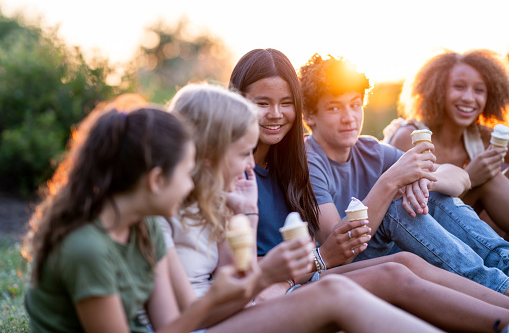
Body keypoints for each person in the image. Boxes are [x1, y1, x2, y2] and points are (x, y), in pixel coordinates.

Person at [226, 48, 509, 332]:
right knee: (397, 230)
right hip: (293, 278)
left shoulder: (289, 161)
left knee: (410, 240)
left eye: (286, 103)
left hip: (309, 269)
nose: (276, 114)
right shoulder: (248, 168)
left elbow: (452, 176)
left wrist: (420, 178)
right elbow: (332, 247)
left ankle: (503, 287)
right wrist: (392, 181)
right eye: (262, 103)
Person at [164, 83, 442, 332]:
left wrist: (247, 214)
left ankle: (488, 313)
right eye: (243, 153)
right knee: (336, 291)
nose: (251, 163)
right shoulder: (161, 219)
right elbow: (195, 314)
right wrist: (268, 276)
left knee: (400, 264)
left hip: (229, 313)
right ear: (208, 153)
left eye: (286, 103)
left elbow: (238, 292)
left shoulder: (218, 204)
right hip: (211, 320)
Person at [22, 99, 259, 333]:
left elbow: (168, 326)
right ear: (156, 181)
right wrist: (218, 297)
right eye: (187, 174)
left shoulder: (145, 227)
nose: (190, 186)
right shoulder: (87, 249)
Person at [299, 53, 509, 297]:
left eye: (355, 105)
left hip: (382, 251)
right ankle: (500, 289)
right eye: (334, 107)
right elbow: (338, 245)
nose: (349, 118)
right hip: (340, 267)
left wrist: (424, 181)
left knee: (425, 191)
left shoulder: (370, 150)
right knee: (396, 206)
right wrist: (391, 181)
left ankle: (505, 264)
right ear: (309, 116)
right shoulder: (308, 160)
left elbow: (460, 178)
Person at [385, 49, 509, 235]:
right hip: (417, 231)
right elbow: (405, 211)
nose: (469, 98)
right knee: (488, 180)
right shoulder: (410, 136)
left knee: (494, 176)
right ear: (438, 90)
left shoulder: (481, 136)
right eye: (459, 87)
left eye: (479, 90)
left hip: (461, 230)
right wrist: (471, 178)